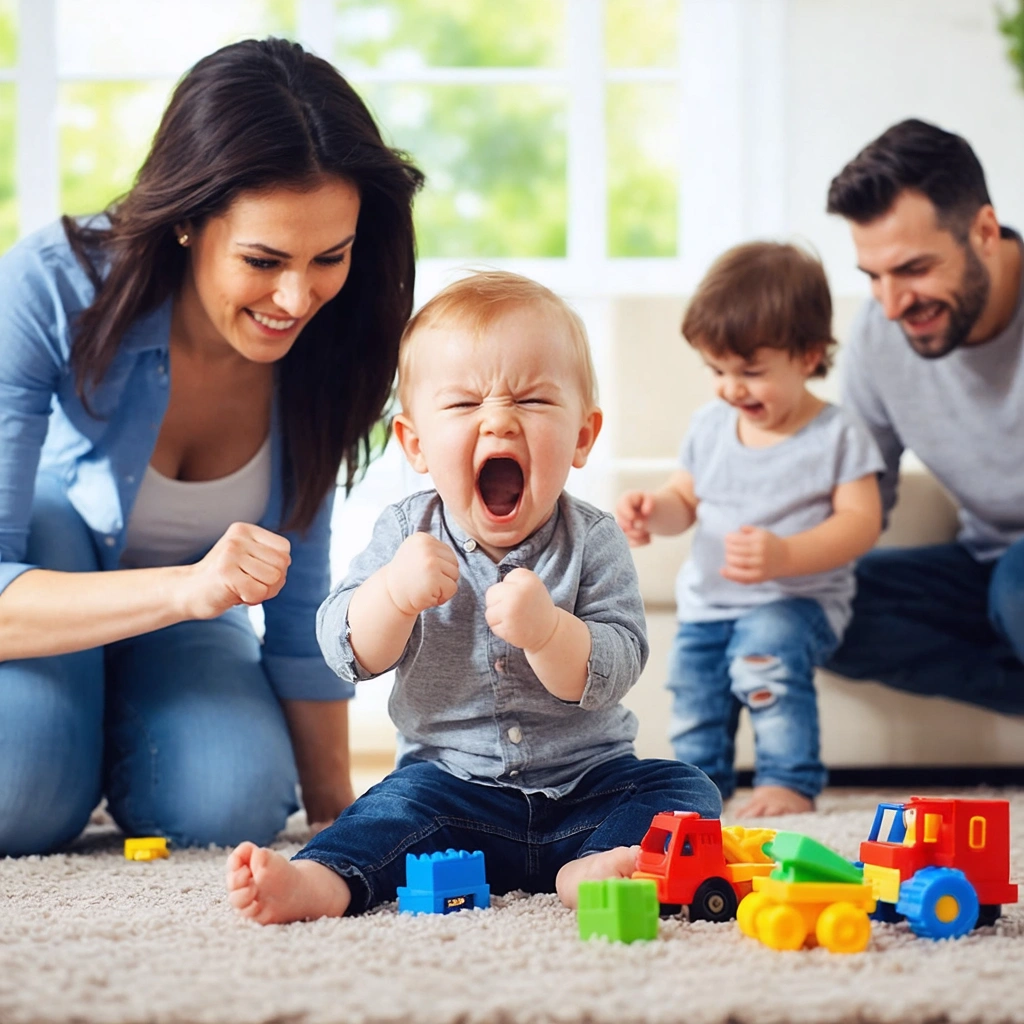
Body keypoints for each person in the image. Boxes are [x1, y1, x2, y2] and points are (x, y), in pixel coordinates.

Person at [0, 38, 424, 857]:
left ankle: (113, 718)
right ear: (189, 221)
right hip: (50, 589)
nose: (297, 298)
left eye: (328, 257)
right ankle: (68, 723)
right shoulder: (50, 282)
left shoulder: (339, 336)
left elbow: (301, 608)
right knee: (16, 800)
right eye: (263, 260)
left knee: (232, 805)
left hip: (192, 614)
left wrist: (336, 810)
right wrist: (186, 590)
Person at [225, 270, 720, 923]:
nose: (499, 422)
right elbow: (346, 649)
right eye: (463, 406)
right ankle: (323, 882)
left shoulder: (594, 541)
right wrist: (394, 597)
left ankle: (591, 866)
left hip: (588, 788)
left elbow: (617, 665)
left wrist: (549, 634)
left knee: (686, 789)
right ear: (416, 444)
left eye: (534, 402)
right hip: (450, 790)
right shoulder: (407, 532)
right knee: (387, 812)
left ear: (581, 437)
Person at [615, 243, 884, 818]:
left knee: (767, 661)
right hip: (708, 604)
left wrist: (786, 555)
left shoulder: (837, 434)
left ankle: (789, 779)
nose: (732, 388)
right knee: (694, 692)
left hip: (795, 601)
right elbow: (684, 500)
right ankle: (697, 788)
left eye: (751, 372)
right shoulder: (711, 427)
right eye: (717, 370)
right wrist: (651, 511)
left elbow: (864, 523)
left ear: (810, 356)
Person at [825, 119, 1024, 714]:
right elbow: (861, 492)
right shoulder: (880, 336)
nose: (891, 305)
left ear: (983, 231)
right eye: (874, 277)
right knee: (820, 607)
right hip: (983, 569)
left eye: (913, 270)